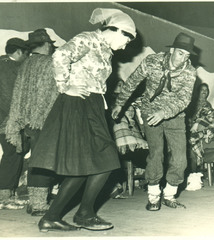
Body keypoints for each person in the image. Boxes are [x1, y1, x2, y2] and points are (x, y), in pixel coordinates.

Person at [26, 8, 136, 232]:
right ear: (116, 30)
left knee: (94, 163)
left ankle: (61, 215)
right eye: (127, 39)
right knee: (99, 160)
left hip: (93, 105)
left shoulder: (106, 50)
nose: (126, 46)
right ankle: (80, 214)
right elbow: (60, 56)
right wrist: (66, 86)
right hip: (78, 104)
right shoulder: (87, 39)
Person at [112, 32, 197, 211]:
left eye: (187, 55)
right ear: (172, 50)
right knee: (156, 154)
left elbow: (184, 99)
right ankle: (153, 195)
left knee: (181, 158)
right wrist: (120, 103)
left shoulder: (190, 72)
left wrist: (164, 112)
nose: (183, 59)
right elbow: (132, 82)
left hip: (175, 116)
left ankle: (169, 194)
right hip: (150, 114)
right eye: (181, 53)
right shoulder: (152, 62)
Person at [6, 29, 59, 216]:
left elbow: (19, 94)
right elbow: (54, 94)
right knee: (45, 160)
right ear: (45, 45)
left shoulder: (26, 64)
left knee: (37, 159)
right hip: (46, 120)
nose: (52, 47)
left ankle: (34, 201)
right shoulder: (51, 63)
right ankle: (38, 204)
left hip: (29, 121)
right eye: (50, 44)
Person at [0, 38, 29, 209]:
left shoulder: (2, 63)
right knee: (13, 153)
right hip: (6, 119)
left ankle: (6, 193)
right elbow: (9, 97)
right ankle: (4, 196)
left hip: (4, 118)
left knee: (14, 152)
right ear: (18, 52)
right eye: (26, 54)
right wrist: (15, 119)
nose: (27, 57)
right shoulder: (9, 68)